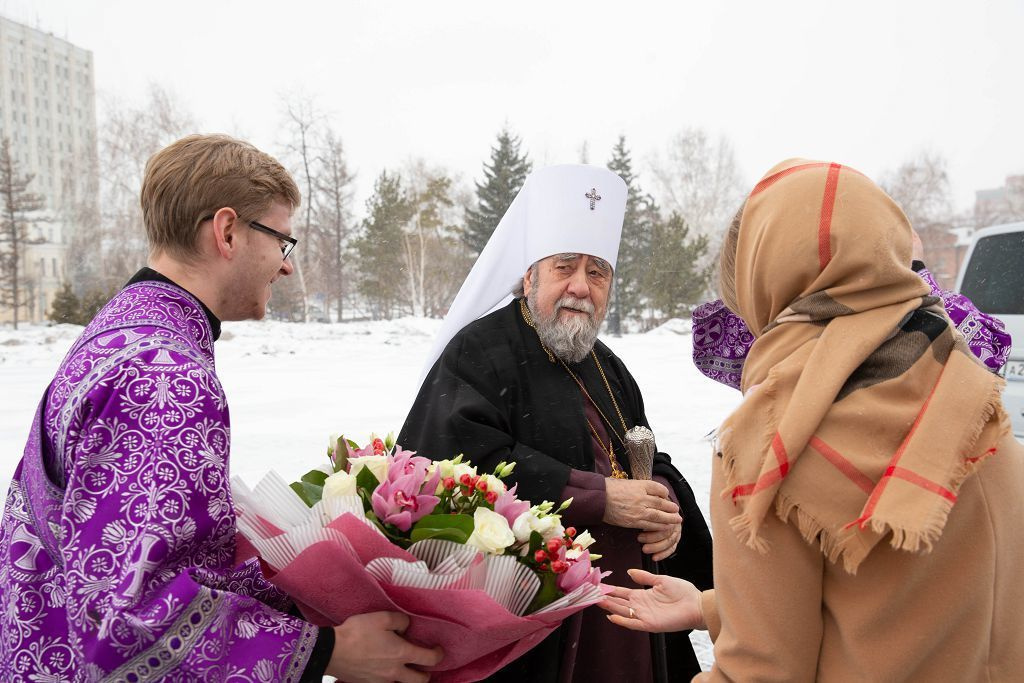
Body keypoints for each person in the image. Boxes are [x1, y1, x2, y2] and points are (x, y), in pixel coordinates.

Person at [0, 134, 442, 682]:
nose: (286, 268)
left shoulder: (122, 333)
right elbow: (126, 624)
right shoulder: (165, 378)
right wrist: (325, 652)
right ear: (227, 231)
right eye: (283, 241)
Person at [601, 159, 1024, 681]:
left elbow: (760, 673)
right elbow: (908, 598)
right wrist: (712, 607)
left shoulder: (774, 443)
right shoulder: (972, 395)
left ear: (761, 276)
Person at [399, 164, 713, 683]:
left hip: (628, 608)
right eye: (564, 266)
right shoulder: (479, 352)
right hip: (534, 619)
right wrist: (598, 496)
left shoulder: (608, 364)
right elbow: (451, 468)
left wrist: (663, 502)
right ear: (529, 276)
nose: (580, 287)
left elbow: (645, 453)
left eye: (598, 272)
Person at [691, 226, 1012, 391]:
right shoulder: (884, 310)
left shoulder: (768, 325)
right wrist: (912, 269)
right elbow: (990, 349)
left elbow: (709, 342)